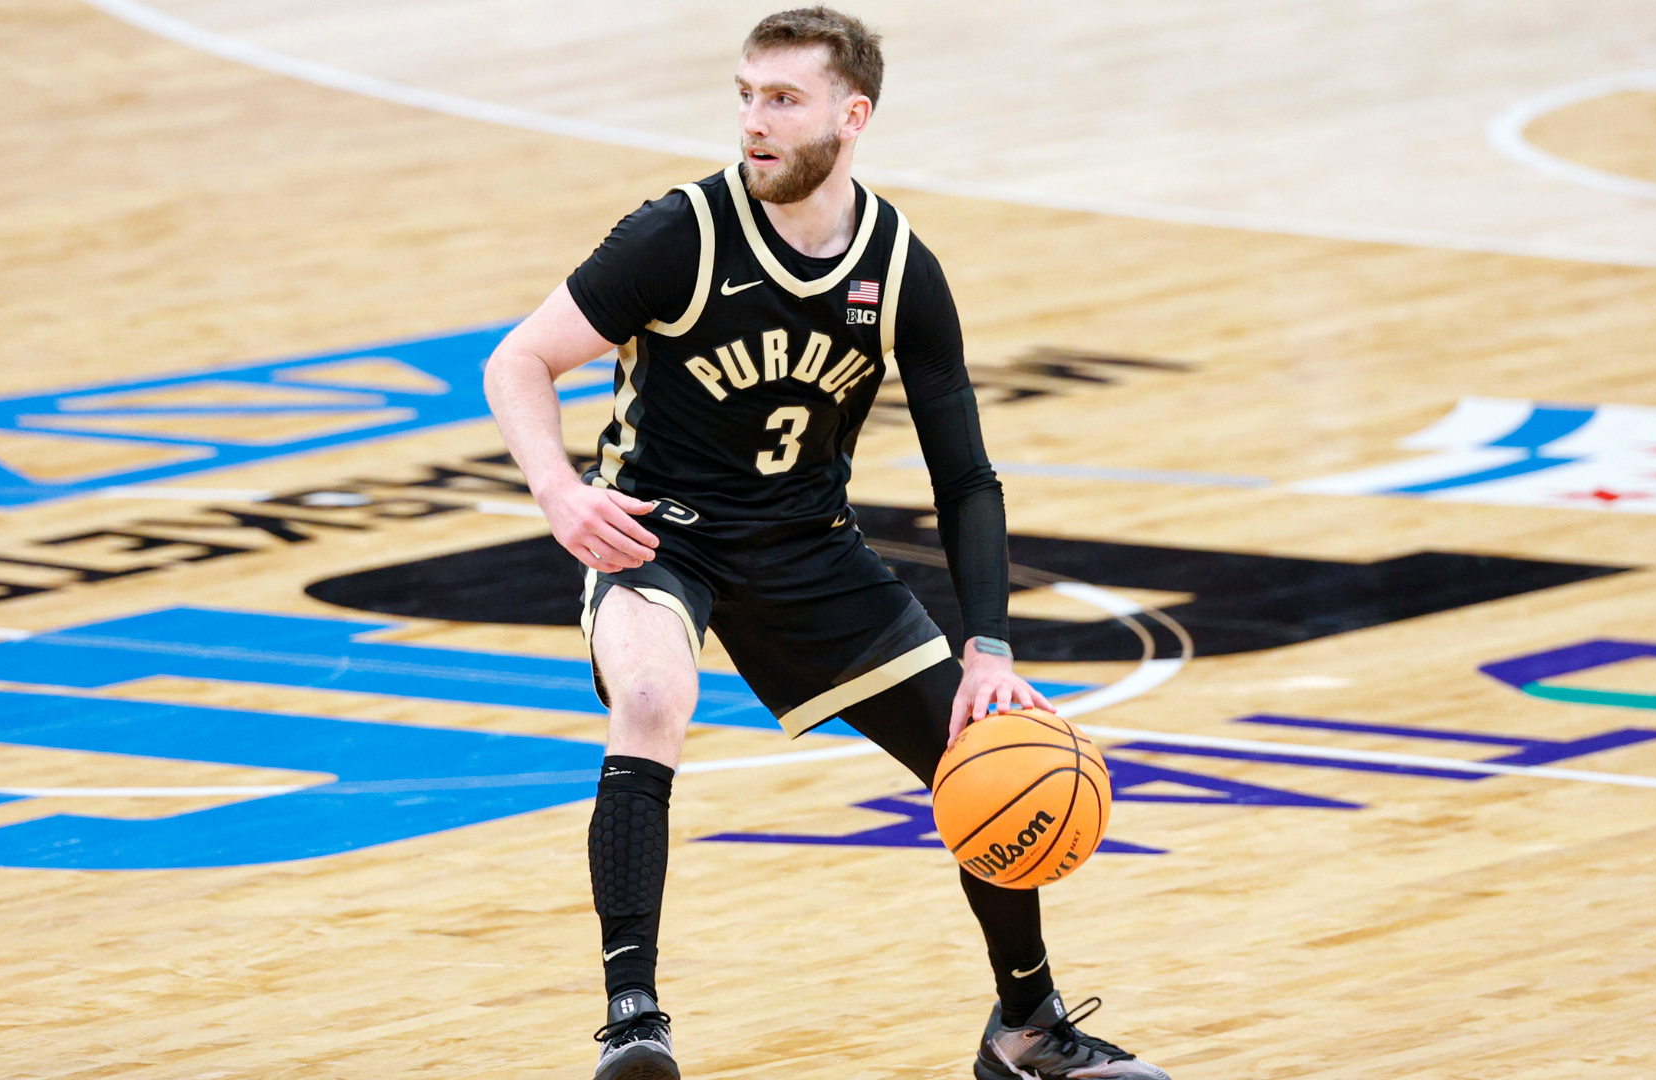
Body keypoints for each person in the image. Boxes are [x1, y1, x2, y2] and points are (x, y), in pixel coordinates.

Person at [483, 8, 1172, 1079]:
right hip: (662, 535)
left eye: (782, 99)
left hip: (808, 546)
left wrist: (989, 646)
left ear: (852, 117)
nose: (754, 122)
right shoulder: (681, 234)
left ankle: (1027, 1027)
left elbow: (966, 476)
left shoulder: (897, 268)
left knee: (981, 750)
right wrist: (560, 491)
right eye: (746, 96)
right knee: (653, 696)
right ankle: (633, 1020)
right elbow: (519, 361)